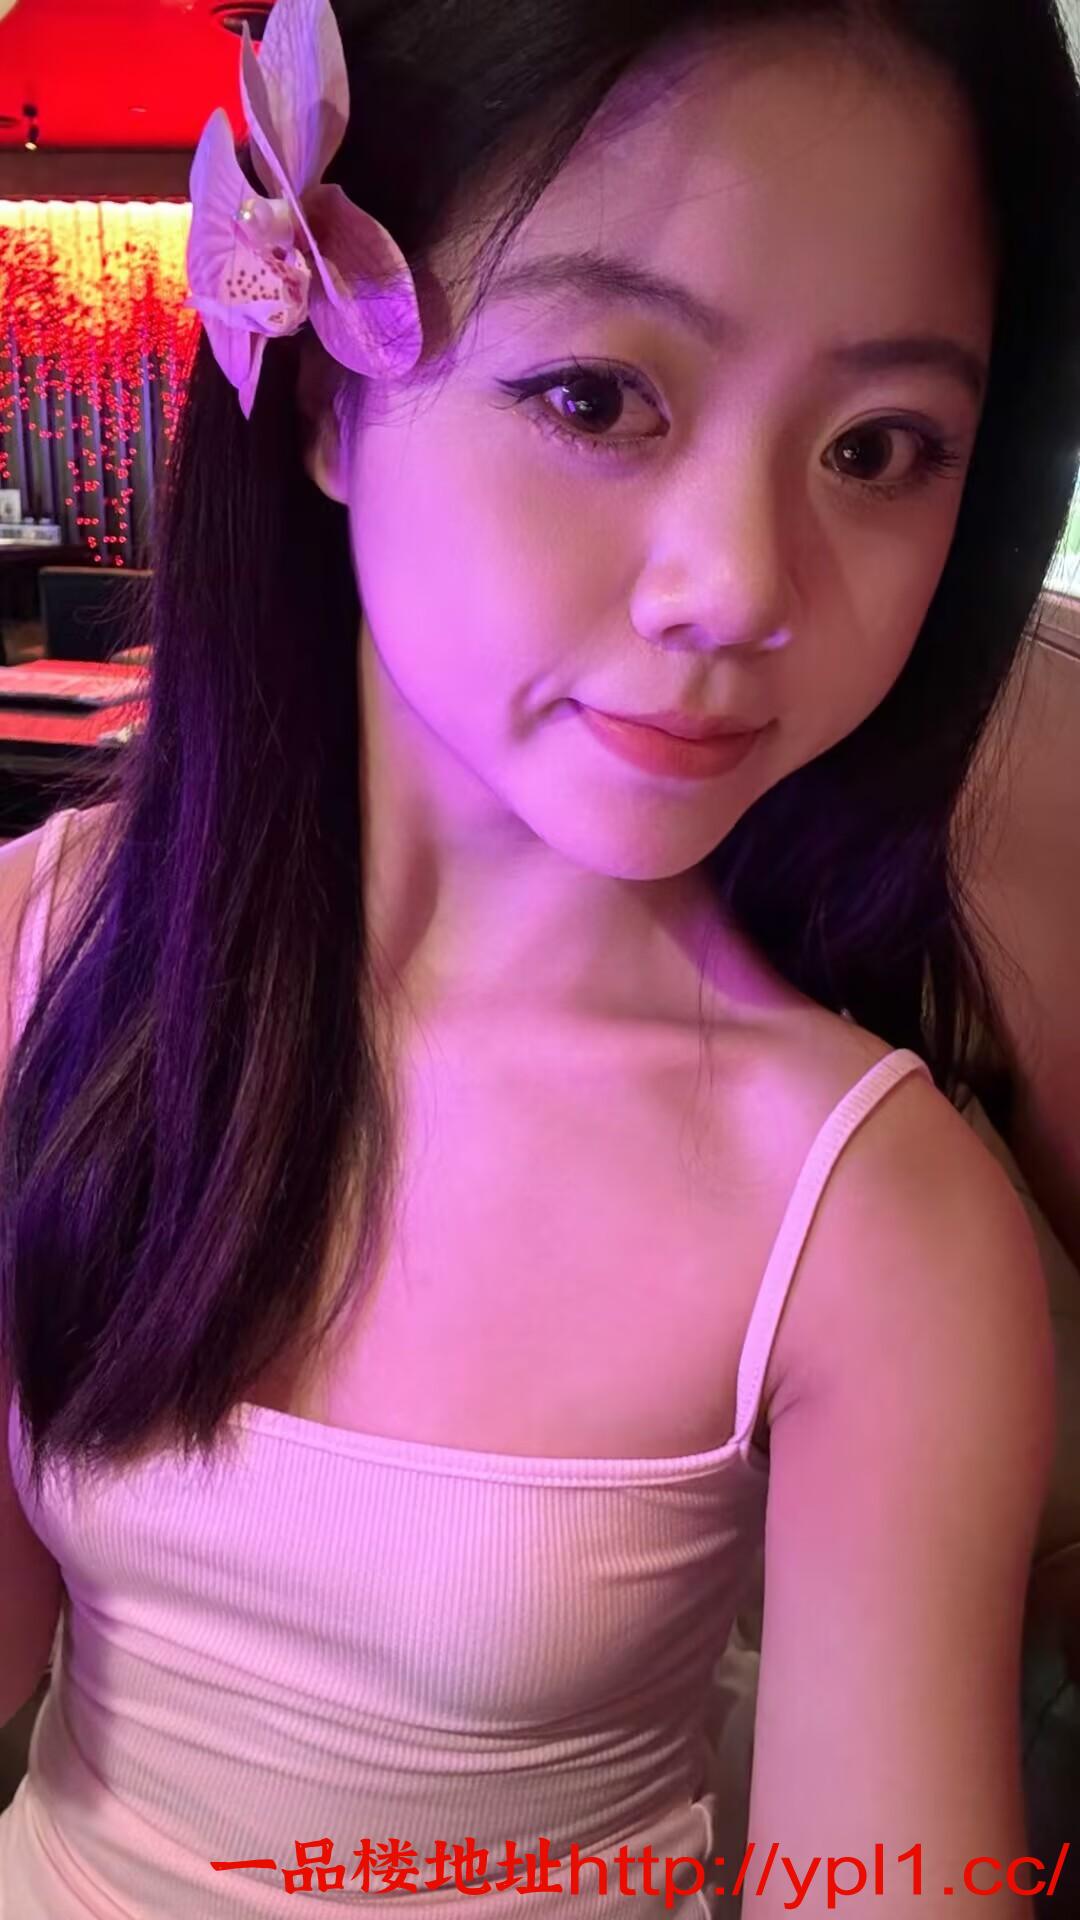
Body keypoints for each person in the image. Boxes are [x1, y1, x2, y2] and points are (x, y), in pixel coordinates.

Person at [1, 0, 1079, 1913]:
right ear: (322, 395)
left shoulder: (875, 1224)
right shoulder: (37, 954)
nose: (738, 586)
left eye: (877, 446)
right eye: (596, 397)